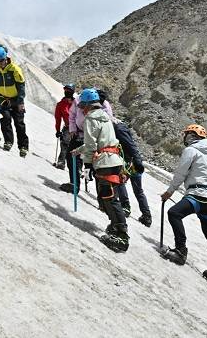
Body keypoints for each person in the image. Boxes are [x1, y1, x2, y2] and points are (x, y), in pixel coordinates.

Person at [161, 124, 207, 285]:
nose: (184, 137)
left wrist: (170, 192)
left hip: (196, 195)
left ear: (191, 136)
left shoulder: (190, 150)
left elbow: (181, 173)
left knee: (174, 213)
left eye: (186, 134)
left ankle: (180, 251)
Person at [73, 88, 129, 252]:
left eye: (82, 106)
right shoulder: (105, 117)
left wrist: (87, 165)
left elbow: (92, 145)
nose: (82, 109)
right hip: (114, 160)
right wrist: (79, 150)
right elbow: (101, 141)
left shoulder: (90, 119)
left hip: (104, 163)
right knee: (109, 196)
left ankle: (121, 234)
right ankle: (115, 226)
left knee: (109, 197)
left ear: (88, 105)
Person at [0, 45, 29, 156]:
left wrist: (20, 102)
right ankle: (8, 141)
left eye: (2, 60)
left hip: (16, 100)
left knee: (19, 123)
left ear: (6, 58)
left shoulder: (14, 69)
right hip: (3, 100)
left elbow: (21, 86)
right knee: (5, 120)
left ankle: (23, 146)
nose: (1, 63)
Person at [113, 120, 152, 227]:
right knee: (138, 190)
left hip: (129, 162)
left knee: (120, 182)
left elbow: (130, 146)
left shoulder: (118, 130)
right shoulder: (122, 128)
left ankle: (125, 207)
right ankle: (146, 216)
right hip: (135, 161)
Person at [53, 83, 76, 170]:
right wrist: (58, 130)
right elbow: (58, 119)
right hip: (68, 127)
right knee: (65, 143)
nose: (67, 92)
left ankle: (77, 167)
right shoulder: (60, 104)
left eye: (69, 90)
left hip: (78, 128)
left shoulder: (77, 103)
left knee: (77, 146)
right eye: (66, 90)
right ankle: (61, 162)